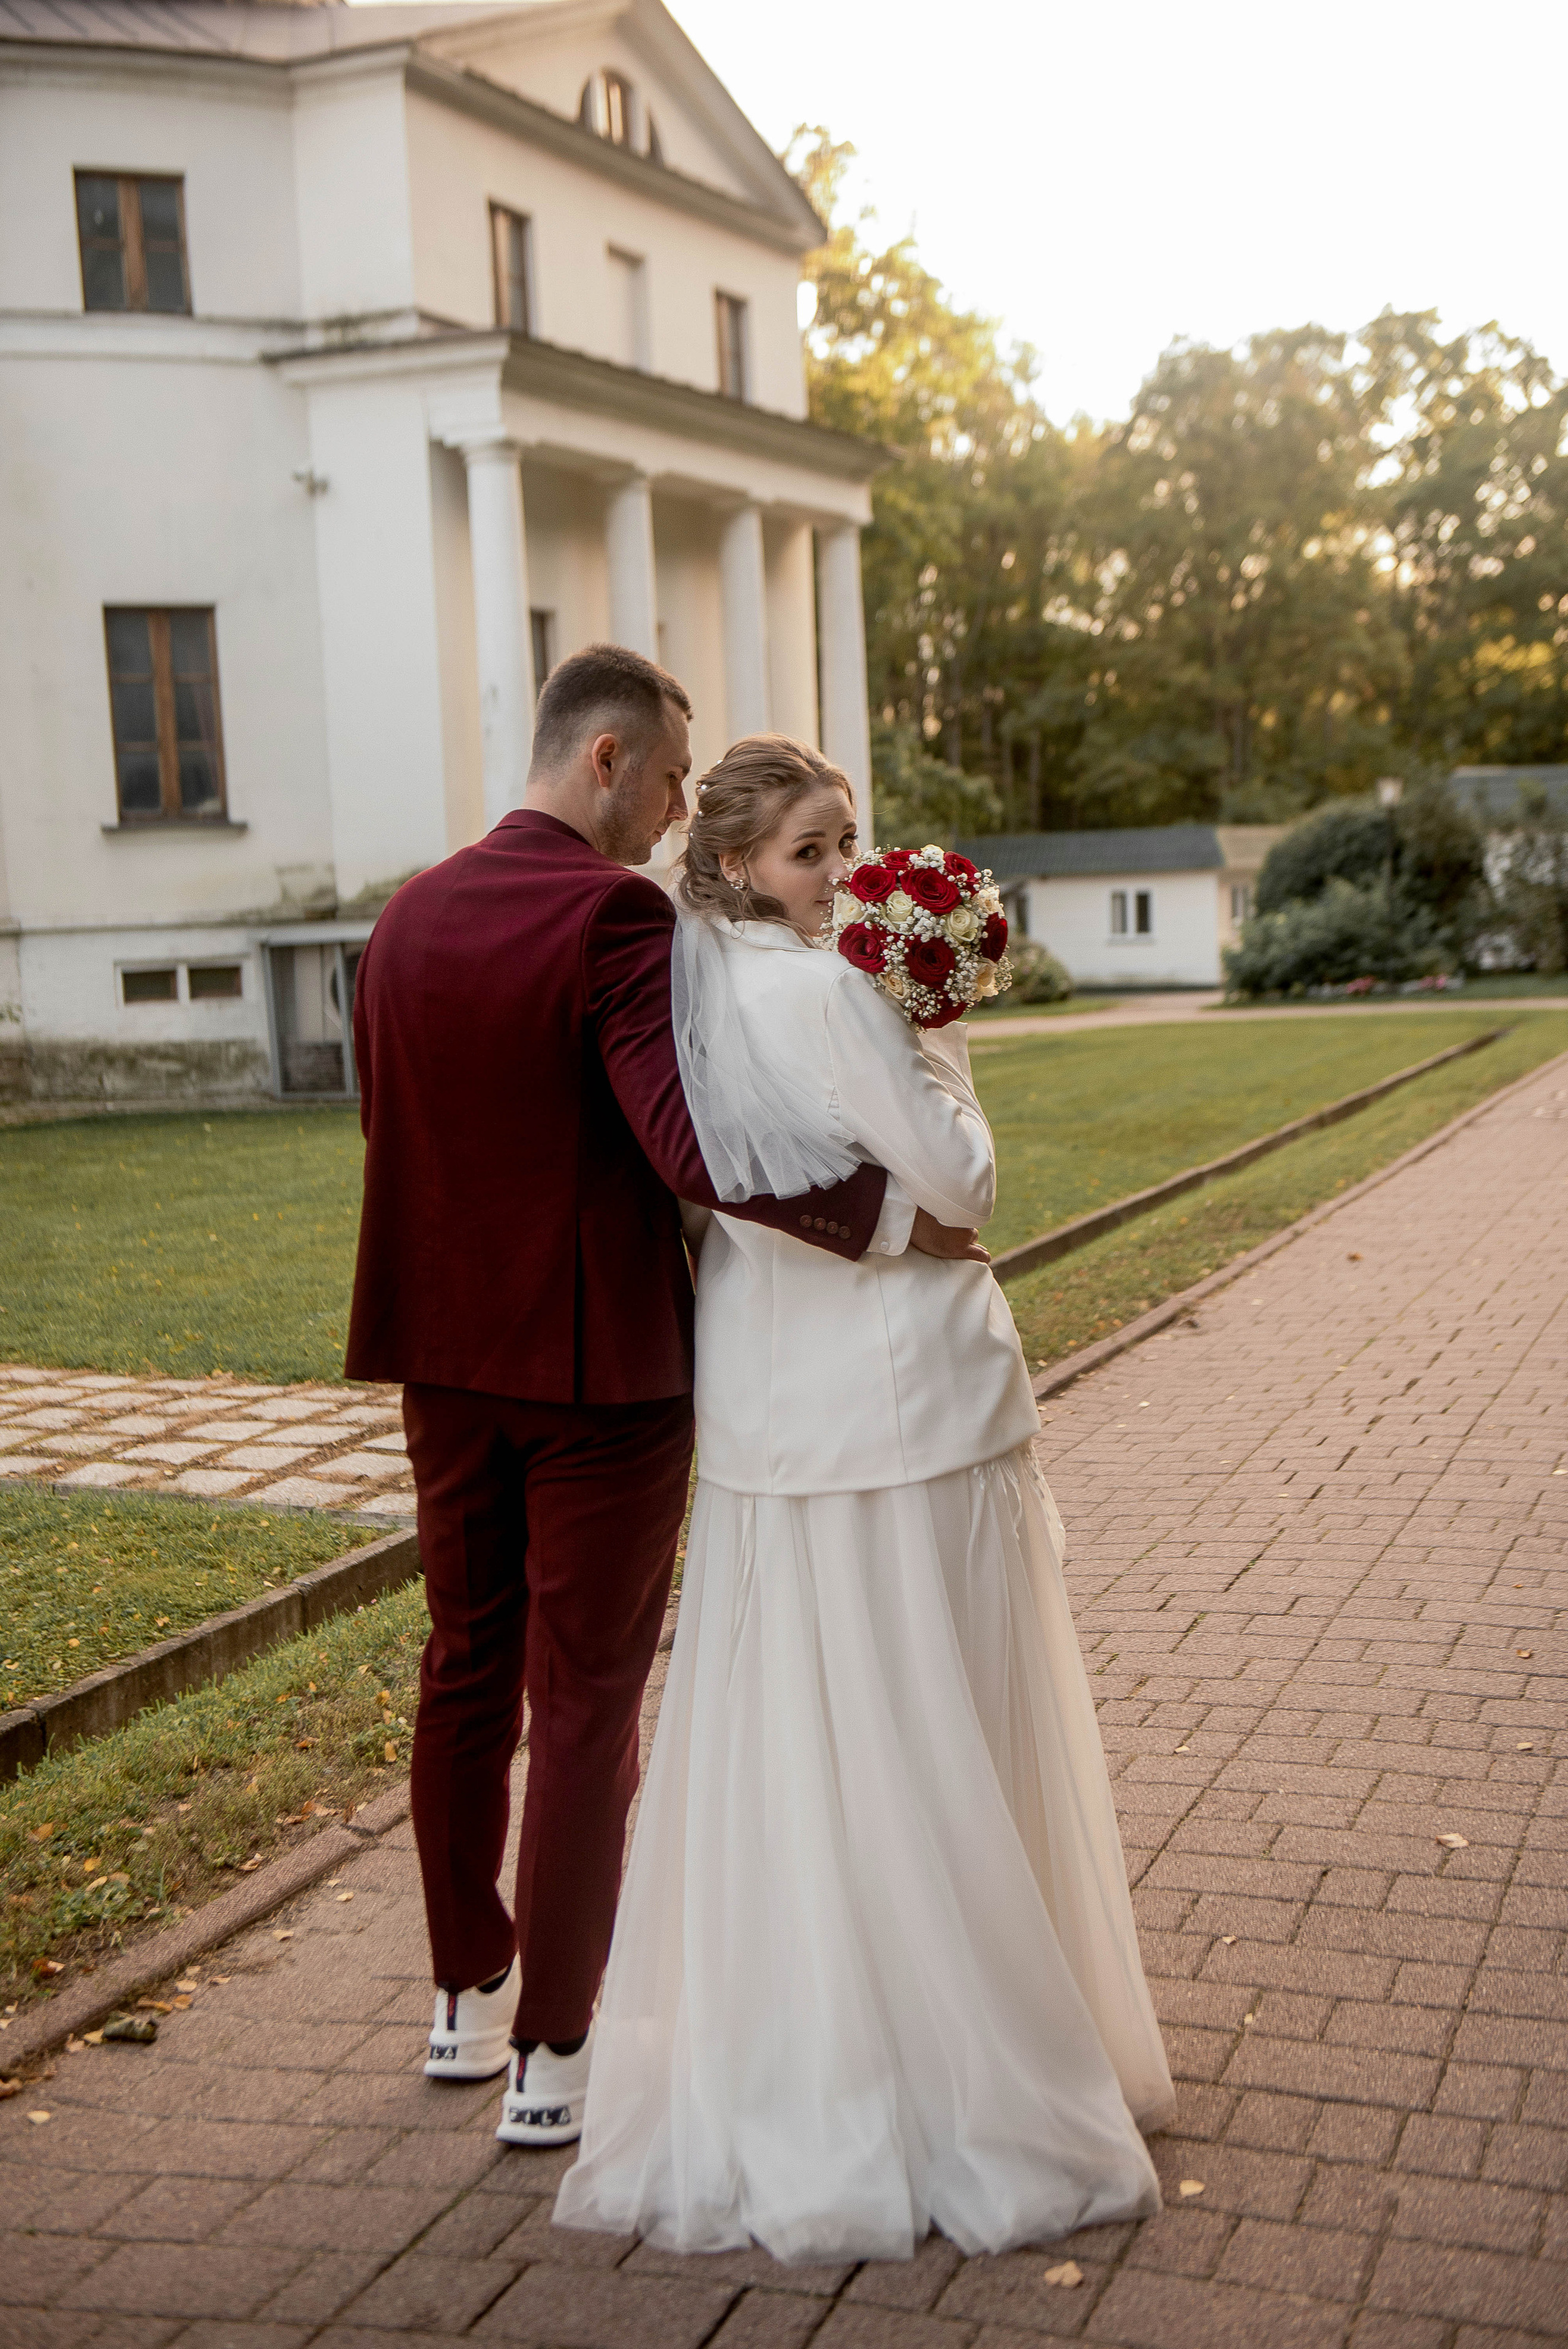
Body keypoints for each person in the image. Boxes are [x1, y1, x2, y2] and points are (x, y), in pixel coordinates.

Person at [554, 734, 1175, 2260]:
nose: (841, 874)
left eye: (849, 843)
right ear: (741, 866)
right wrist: (940, 1033)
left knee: (809, 1735)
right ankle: (964, 2077)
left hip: (770, 1410)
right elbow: (958, 1189)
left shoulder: (693, 983)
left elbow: (726, 1181)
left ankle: (811, 2059)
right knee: (941, 1718)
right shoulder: (840, 992)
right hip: (906, 1407)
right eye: (809, 851)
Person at [345, 646, 975, 2149]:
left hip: (441, 1358)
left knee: (462, 1663)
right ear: (608, 759)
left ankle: (463, 1995)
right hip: (599, 1374)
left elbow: (392, 1124)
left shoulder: (405, 913)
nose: (681, 809)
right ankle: (556, 2057)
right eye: (675, 775)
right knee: (583, 1700)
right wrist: (895, 1224)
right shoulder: (613, 915)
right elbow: (690, 1147)